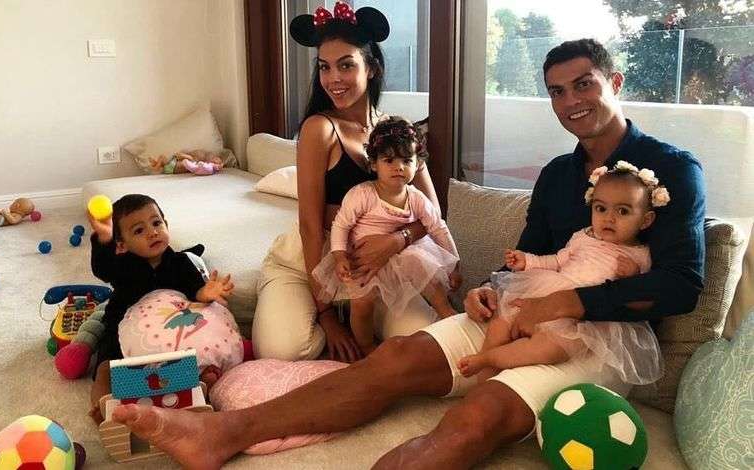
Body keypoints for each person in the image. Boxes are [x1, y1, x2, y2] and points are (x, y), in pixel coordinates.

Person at [109, 37, 706, 470]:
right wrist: (491, 288)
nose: (570, 100)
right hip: (520, 312)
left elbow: (682, 284)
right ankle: (222, 434)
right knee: (393, 358)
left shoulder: (675, 170)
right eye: (557, 91)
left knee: (480, 412)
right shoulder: (555, 174)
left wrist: (566, 305)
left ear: (614, 83)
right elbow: (526, 256)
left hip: (598, 338)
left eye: (584, 84)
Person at [252, 3, 444, 362]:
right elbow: (311, 226)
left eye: (345, 65)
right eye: (324, 67)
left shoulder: (397, 130)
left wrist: (396, 240)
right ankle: (302, 301)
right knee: (283, 349)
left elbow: (432, 211)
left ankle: (359, 321)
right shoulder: (319, 129)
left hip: (378, 268)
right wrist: (326, 313)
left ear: (371, 68)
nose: (333, 78)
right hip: (309, 265)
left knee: (421, 339)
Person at [458, 161, 670, 384]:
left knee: (550, 349)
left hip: (587, 317)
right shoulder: (583, 236)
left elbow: (642, 298)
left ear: (645, 220)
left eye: (623, 211)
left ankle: (489, 359)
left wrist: (633, 276)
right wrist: (527, 261)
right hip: (551, 287)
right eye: (601, 209)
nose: (609, 218)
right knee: (504, 315)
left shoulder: (641, 255)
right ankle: (485, 364)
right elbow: (557, 260)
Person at [313, 117, 462, 353]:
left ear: (417, 164)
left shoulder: (417, 198)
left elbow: (438, 227)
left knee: (423, 266)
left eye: (406, 160)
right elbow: (340, 226)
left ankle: (446, 311)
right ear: (374, 164)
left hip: (402, 255)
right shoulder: (362, 194)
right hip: (362, 260)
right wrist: (340, 256)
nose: (398, 167)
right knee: (362, 304)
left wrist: (454, 264)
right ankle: (366, 345)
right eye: (389, 160)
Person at [87, 194, 234, 420]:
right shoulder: (122, 265)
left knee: (186, 362)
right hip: (121, 326)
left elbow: (195, 290)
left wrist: (207, 292)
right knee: (106, 367)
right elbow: (102, 270)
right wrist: (104, 238)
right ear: (122, 245)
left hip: (168, 334)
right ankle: (105, 409)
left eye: (156, 223)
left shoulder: (181, 262)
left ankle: (196, 392)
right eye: (139, 230)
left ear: (166, 224)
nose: (152, 232)